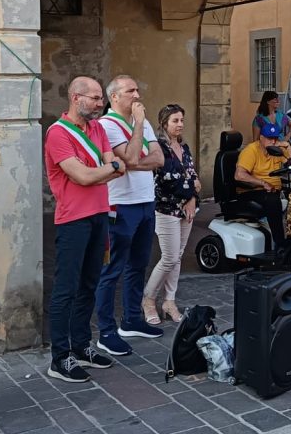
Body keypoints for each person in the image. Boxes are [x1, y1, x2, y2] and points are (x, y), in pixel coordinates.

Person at [45, 77, 125, 383]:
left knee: (89, 284)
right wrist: (109, 170)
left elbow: (114, 166)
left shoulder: (98, 128)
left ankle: (80, 346)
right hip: (73, 220)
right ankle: (59, 356)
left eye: (100, 99)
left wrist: (104, 171)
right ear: (76, 98)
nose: (100, 103)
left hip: (98, 216)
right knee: (65, 288)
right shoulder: (58, 133)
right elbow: (83, 176)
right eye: (94, 98)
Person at [94, 76, 165, 356]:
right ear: (114, 97)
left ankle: (132, 319)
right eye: (130, 90)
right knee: (111, 270)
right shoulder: (106, 125)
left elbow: (158, 158)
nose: (137, 94)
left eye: (138, 88)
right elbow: (133, 158)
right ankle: (106, 331)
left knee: (138, 264)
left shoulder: (144, 122)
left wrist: (135, 160)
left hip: (146, 202)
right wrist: (137, 127)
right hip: (120, 206)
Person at [143, 104, 201, 323]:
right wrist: (189, 191)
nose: (180, 125)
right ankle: (148, 300)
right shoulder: (159, 148)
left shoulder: (184, 148)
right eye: (175, 121)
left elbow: (194, 178)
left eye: (181, 121)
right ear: (164, 123)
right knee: (168, 258)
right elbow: (167, 181)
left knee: (177, 257)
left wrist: (192, 199)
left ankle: (169, 301)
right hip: (166, 209)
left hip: (187, 209)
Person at [234, 121, 291, 254]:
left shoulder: (277, 149)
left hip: (273, 189)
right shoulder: (251, 150)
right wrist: (262, 183)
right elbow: (239, 175)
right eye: (269, 138)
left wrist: (287, 145)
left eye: (275, 138)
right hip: (252, 190)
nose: (273, 142)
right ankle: (280, 244)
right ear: (261, 137)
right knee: (273, 201)